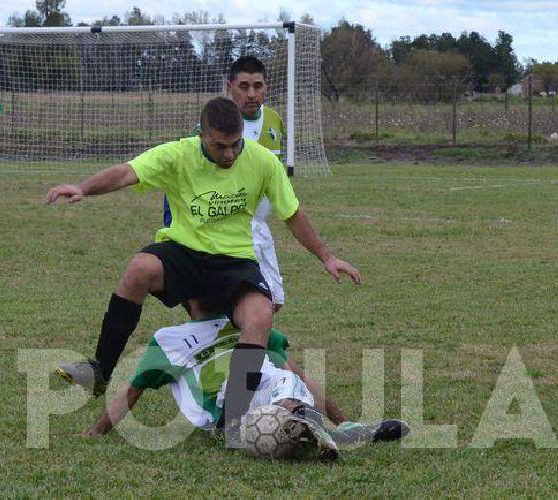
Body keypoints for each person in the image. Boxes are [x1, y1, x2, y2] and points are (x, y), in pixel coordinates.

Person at [45, 97, 362, 447]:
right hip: (185, 253)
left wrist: (326, 257)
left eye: (236, 144)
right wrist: (83, 188)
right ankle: (100, 370)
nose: (229, 154)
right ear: (201, 136)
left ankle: (233, 423)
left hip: (234, 260)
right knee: (139, 268)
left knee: (260, 318)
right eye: (220, 146)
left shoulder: (261, 161)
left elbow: (293, 213)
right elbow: (126, 172)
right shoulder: (178, 155)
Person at [80, 299, 410, 461]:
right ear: (187, 297)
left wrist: (342, 417)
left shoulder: (249, 324)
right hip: (228, 412)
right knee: (263, 387)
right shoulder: (169, 339)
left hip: (272, 392)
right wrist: (97, 431)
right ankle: (311, 427)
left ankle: (327, 428)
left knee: (283, 377)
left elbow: (295, 372)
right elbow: (133, 390)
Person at [163, 56, 290, 311]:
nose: (252, 93)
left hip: (259, 229)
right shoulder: (207, 129)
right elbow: (179, 183)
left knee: (272, 303)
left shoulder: (275, 121)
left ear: (266, 86)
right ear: (229, 87)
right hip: (219, 231)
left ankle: (247, 348)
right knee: (210, 306)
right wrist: (172, 224)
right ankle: (220, 348)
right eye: (244, 86)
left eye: (258, 85)